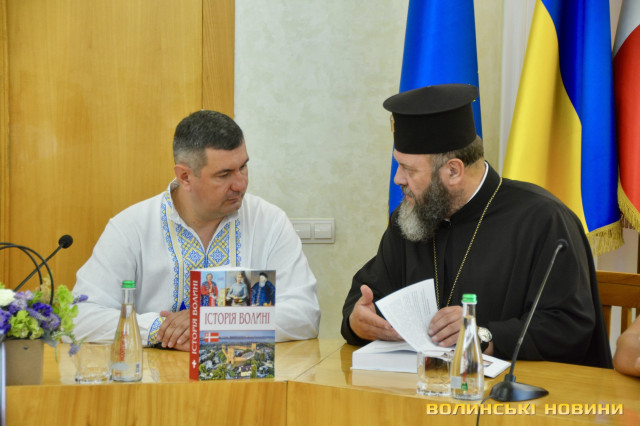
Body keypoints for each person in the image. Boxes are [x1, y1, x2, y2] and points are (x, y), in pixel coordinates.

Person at [341, 84, 612, 368]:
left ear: (453, 170)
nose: (398, 179)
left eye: (408, 169)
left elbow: (569, 327)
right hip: (422, 386)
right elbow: (366, 295)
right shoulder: (411, 216)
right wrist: (358, 322)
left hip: (520, 390)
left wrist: (482, 335)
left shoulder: (543, 219)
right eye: (399, 165)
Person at [73, 110, 320, 350]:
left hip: (243, 375)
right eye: (224, 174)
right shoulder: (131, 227)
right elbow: (80, 316)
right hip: (154, 377)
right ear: (185, 177)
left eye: (243, 167)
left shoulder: (270, 222)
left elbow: (304, 313)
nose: (240, 184)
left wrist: (211, 322)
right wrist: (161, 330)